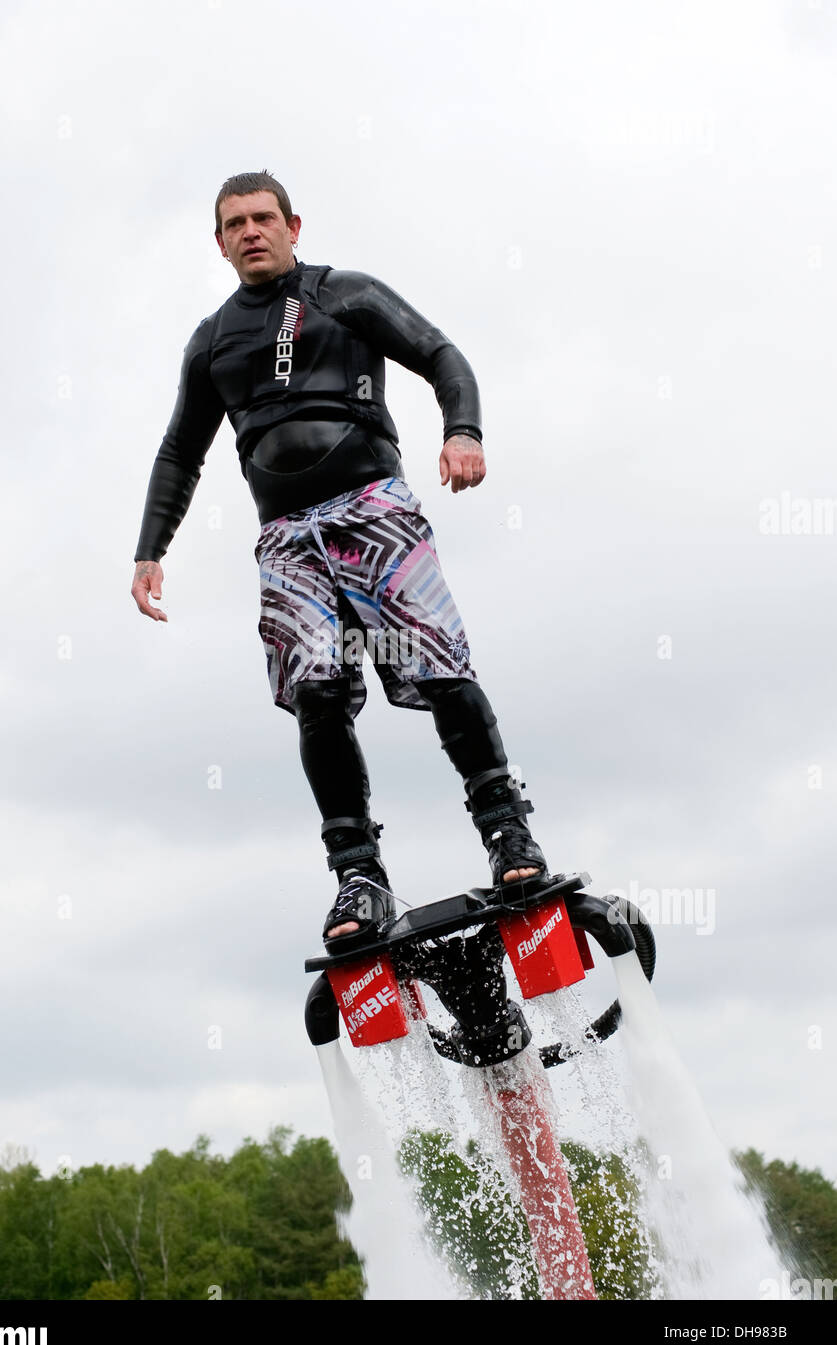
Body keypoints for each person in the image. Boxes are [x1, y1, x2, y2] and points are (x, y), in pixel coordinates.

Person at [131, 170, 550, 954]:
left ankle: (507, 835)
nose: (250, 232)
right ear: (218, 243)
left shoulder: (344, 294)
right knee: (316, 694)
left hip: (372, 511)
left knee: (438, 667)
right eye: (234, 224)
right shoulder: (212, 339)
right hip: (287, 536)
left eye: (263, 218)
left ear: (293, 224)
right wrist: (150, 551)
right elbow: (179, 451)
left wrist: (463, 431)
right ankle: (357, 874)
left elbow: (440, 353)